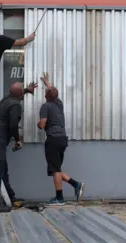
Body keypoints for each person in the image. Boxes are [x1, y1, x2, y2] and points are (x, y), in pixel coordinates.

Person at [0, 81, 37, 212]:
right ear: (20, 94)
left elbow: (16, 92)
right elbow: (13, 125)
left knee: (2, 169)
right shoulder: (15, 105)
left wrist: (27, 90)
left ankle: (10, 197)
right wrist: (18, 140)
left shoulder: (6, 99)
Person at [37, 72, 85, 206]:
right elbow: (53, 92)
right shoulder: (59, 104)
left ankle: (59, 198)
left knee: (55, 170)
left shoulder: (45, 106)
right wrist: (47, 83)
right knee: (56, 168)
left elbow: (42, 124)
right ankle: (76, 185)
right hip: (62, 138)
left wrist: (39, 124)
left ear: (46, 96)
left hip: (53, 139)